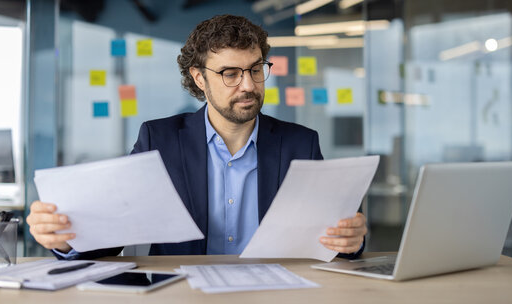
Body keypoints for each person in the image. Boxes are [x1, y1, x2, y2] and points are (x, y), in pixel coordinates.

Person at [26, 14, 367, 260]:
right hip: (184, 294)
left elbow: (331, 236)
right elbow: (115, 230)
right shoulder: (159, 140)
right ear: (199, 78)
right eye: (230, 73)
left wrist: (350, 241)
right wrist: (66, 239)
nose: (248, 85)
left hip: (276, 292)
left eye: (255, 69)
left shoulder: (300, 144)